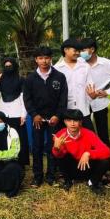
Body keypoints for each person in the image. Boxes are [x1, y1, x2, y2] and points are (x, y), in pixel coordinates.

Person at [81, 38, 110, 183]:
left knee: (103, 136)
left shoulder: (106, 63)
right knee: (85, 135)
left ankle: (105, 170)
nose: (81, 53)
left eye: (84, 50)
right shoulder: (79, 63)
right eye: (80, 50)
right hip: (83, 103)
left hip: (100, 103)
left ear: (92, 49)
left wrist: (108, 91)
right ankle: (87, 168)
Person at [23, 46, 68, 188]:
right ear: (36, 60)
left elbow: (63, 99)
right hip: (37, 120)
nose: (44, 61)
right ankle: (37, 177)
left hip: (54, 119)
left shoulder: (59, 77)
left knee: (52, 147)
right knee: (36, 147)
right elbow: (27, 99)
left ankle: (51, 176)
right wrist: (34, 115)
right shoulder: (30, 79)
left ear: (51, 59)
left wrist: (57, 116)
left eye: (47, 58)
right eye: (41, 58)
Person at [52, 109, 110, 195]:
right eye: (69, 120)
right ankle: (68, 181)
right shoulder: (60, 134)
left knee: (104, 161)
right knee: (62, 156)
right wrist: (56, 148)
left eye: (75, 120)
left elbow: (107, 151)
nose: (72, 123)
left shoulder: (89, 133)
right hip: (71, 168)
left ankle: (93, 182)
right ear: (65, 122)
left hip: (87, 167)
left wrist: (88, 153)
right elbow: (57, 155)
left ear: (80, 122)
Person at [0, 58, 29, 167]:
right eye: (6, 66)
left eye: (10, 66)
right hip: (3, 114)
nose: (8, 68)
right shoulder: (0, 80)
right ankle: (4, 160)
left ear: (15, 66)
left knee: (19, 138)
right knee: (4, 138)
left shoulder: (21, 80)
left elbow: (24, 98)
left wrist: (23, 115)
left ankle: (20, 163)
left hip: (17, 114)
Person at [54, 38, 96, 131]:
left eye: (79, 51)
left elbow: (90, 87)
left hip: (83, 111)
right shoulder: (57, 69)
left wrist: (92, 96)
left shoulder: (85, 67)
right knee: (62, 138)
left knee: (90, 137)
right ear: (66, 50)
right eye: (75, 50)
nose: (77, 53)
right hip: (64, 113)